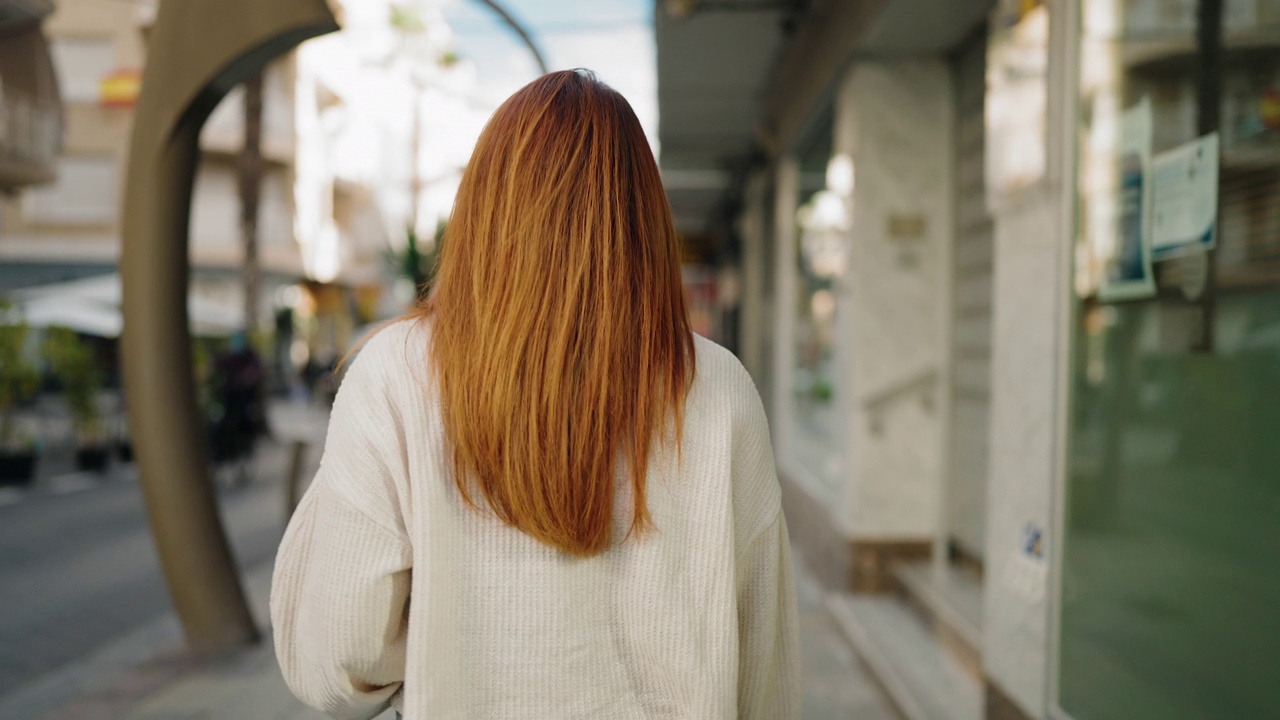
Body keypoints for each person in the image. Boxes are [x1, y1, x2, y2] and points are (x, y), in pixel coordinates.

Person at [270, 69, 801, 719]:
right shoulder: (719, 392)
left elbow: (338, 661)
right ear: (643, 218)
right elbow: (766, 672)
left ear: (483, 210)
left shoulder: (397, 376)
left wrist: (456, 622)